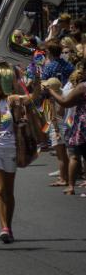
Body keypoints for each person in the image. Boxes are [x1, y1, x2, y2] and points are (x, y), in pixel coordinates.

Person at [0, 76, 25, 243]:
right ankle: (4, 228)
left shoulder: (9, 101)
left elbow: (31, 98)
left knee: (9, 192)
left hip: (10, 149)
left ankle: (9, 226)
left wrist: (35, 82)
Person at [45, 60, 86, 196]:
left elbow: (64, 103)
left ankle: (71, 186)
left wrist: (52, 92)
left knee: (74, 156)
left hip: (82, 125)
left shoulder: (82, 87)